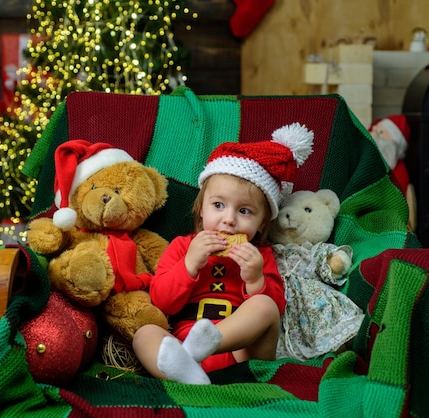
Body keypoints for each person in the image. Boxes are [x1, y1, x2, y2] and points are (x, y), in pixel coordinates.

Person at [132, 122, 314, 384]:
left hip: (241, 354)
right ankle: (187, 374)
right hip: (182, 345)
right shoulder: (183, 247)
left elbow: (275, 311)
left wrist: (255, 280)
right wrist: (189, 265)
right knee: (145, 334)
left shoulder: (259, 256)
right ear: (201, 209)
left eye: (244, 211)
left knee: (265, 306)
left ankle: (199, 353)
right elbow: (162, 302)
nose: (228, 220)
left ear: (263, 222)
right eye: (218, 205)